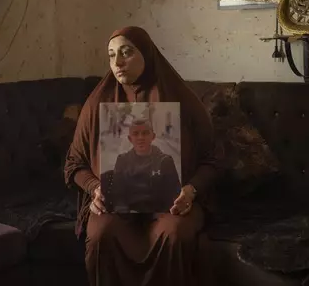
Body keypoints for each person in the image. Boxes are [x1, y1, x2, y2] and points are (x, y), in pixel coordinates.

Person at [64, 26, 220, 286]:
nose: (118, 62)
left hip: (171, 205)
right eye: (111, 55)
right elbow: (74, 164)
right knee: (102, 233)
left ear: (147, 54)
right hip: (116, 205)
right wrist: (95, 189)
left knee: (174, 233)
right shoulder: (98, 101)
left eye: (126, 52)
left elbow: (213, 160)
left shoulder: (181, 98)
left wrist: (191, 191)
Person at [109, 119, 181, 214]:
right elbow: (117, 194)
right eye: (135, 134)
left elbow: (174, 195)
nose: (140, 138)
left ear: (153, 136)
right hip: (128, 215)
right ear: (130, 139)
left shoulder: (165, 161)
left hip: (159, 216)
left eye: (145, 133)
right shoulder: (122, 160)